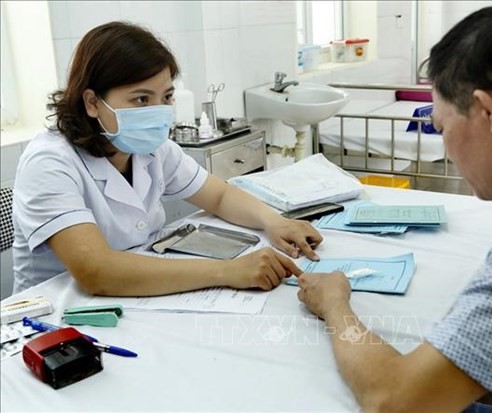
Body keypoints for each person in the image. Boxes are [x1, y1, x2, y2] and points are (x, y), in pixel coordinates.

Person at [296, 4, 492, 412]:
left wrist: (334, 305)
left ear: (489, 113)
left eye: (441, 125)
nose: (445, 142)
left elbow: (395, 402)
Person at [12, 21, 323, 296]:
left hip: (134, 292)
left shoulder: (152, 149)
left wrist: (276, 222)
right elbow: (96, 271)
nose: (159, 111)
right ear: (93, 102)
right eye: (142, 99)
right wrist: (228, 271)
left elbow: (219, 195)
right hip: (55, 318)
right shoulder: (50, 162)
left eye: (167, 97)